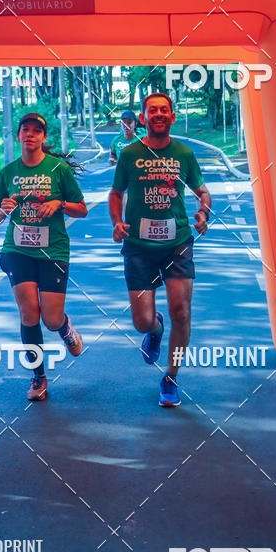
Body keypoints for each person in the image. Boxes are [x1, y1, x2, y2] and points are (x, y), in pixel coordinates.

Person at [109, 93, 211, 407]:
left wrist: (203, 212)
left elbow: (202, 191)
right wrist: (116, 220)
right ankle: (155, 328)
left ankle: (171, 377)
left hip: (177, 243)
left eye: (164, 110)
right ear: (143, 118)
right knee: (142, 321)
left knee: (182, 312)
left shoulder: (184, 153)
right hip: (138, 247)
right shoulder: (129, 155)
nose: (158, 114)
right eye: (152, 110)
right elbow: (116, 193)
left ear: (172, 117)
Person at [0, 112, 88, 401]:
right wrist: (3, 210)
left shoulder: (58, 169)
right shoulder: (8, 172)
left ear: (44, 138)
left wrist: (59, 203)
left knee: (51, 319)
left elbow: (82, 209)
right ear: (18, 136)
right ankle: (38, 377)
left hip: (52, 251)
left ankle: (65, 327)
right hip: (17, 250)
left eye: (36, 131)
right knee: (29, 312)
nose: (30, 134)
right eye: (25, 130)